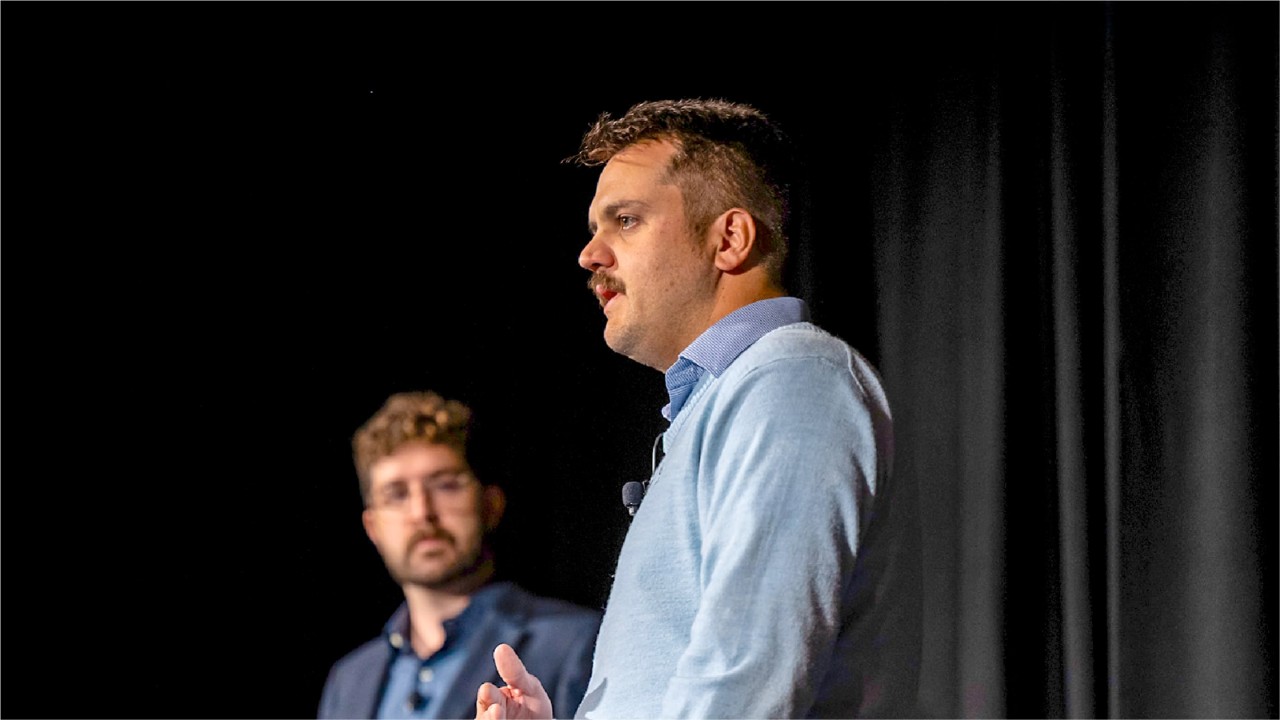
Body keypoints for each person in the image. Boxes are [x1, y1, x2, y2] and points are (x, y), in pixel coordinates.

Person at [475, 99, 922, 719]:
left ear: (729, 239)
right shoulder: (727, 398)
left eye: (625, 220)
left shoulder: (794, 379)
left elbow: (744, 683)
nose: (590, 255)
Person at [320, 391, 602, 719]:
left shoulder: (575, 643)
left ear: (491, 505)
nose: (421, 512)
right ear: (373, 527)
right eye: (396, 494)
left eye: (445, 485)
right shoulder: (348, 680)